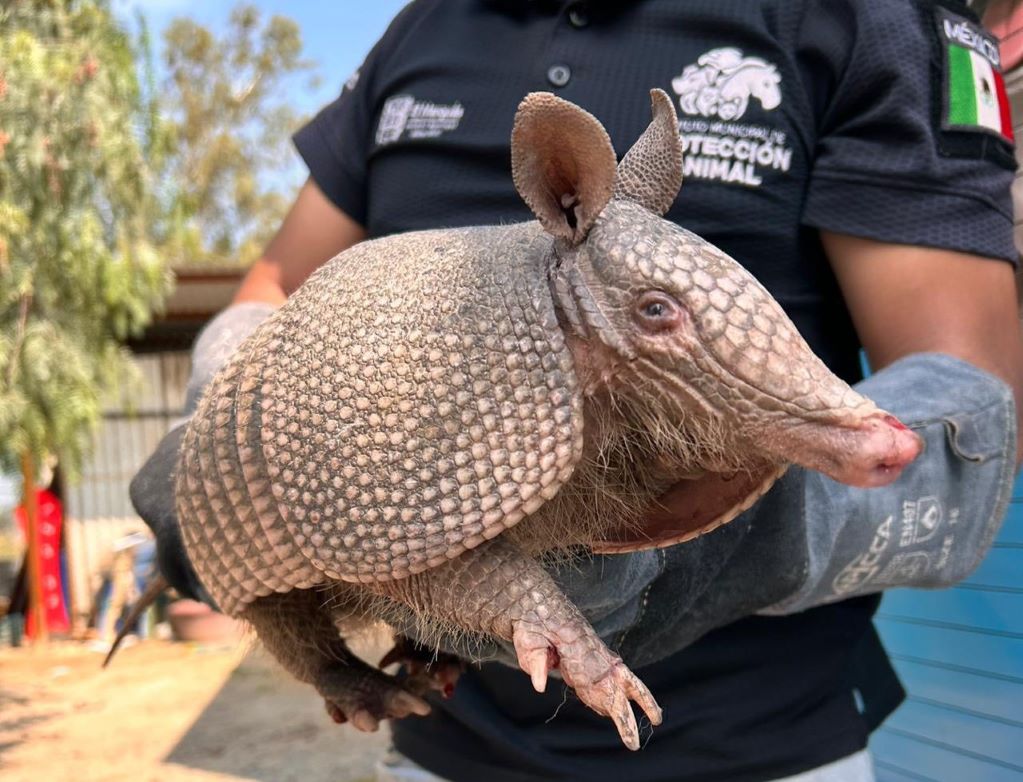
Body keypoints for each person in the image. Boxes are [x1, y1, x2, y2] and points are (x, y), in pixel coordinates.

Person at [132, 1, 1023, 780]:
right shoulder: (420, 30)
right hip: (445, 752)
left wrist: (765, 534)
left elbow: (970, 415)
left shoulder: (858, 15)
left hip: (765, 750)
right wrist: (224, 388)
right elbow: (270, 292)